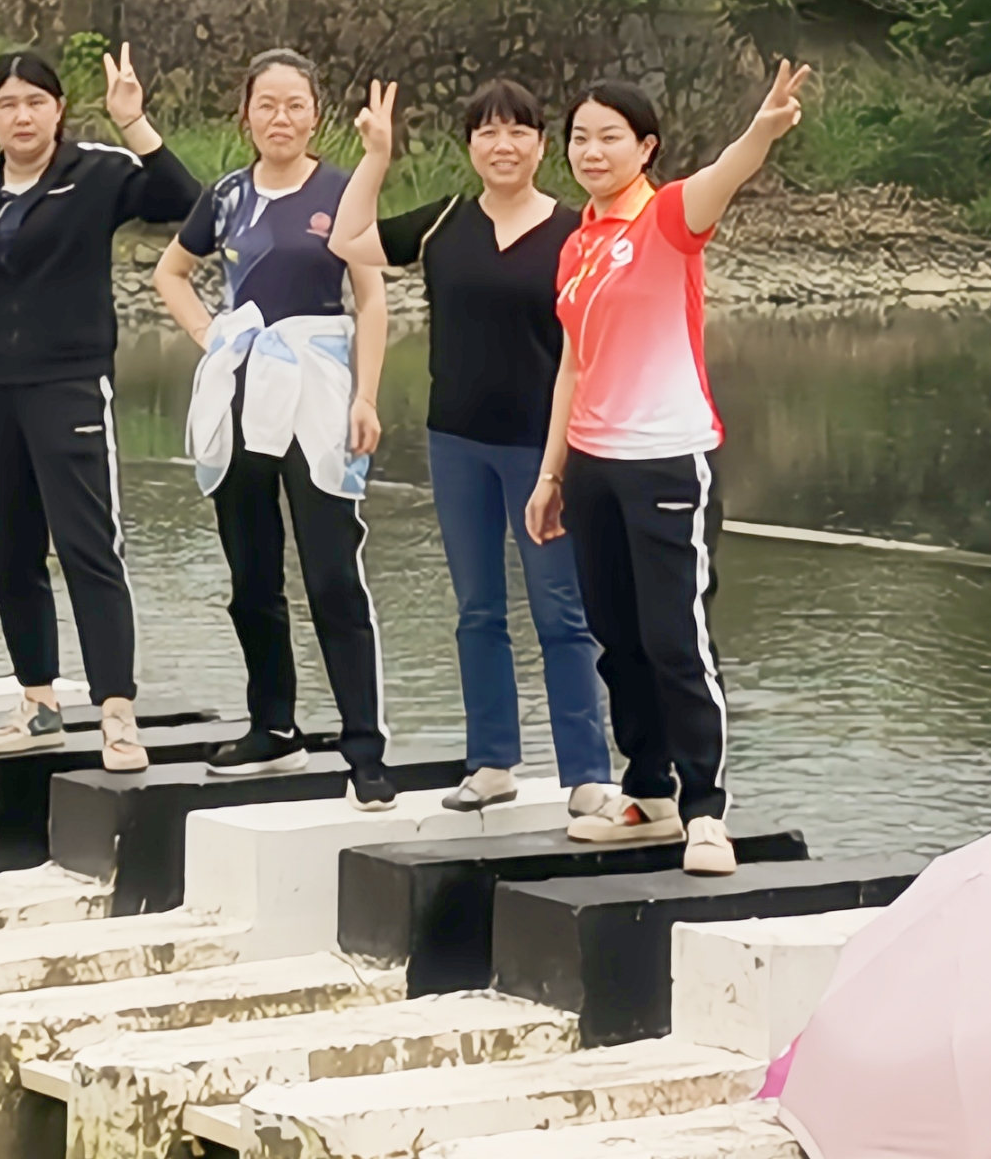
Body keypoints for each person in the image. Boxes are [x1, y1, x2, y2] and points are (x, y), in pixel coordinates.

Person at [524, 60, 811, 875]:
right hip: (593, 463)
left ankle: (705, 809)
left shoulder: (671, 217)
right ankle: (646, 791)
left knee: (674, 638)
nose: (592, 151)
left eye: (610, 137)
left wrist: (761, 129)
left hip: (667, 461)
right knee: (616, 639)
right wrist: (551, 475)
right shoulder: (578, 244)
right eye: (580, 138)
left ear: (645, 147)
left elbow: (728, 172)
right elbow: (573, 365)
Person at [0, 45, 197, 762]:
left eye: (36, 101)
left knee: (89, 548)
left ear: (58, 110)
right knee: (10, 552)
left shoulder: (96, 172)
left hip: (70, 383)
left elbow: (185, 202)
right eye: (7, 103)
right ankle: (37, 703)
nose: (22, 116)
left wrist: (134, 122)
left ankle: (116, 712)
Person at [333, 75, 616, 817]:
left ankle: (587, 773)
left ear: (542, 146)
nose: (503, 144)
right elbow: (347, 239)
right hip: (457, 442)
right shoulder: (443, 222)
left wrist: (563, 464)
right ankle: (492, 762)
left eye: (518, 130)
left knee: (562, 613)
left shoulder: (575, 233)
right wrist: (376, 156)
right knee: (478, 610)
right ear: (469, 146)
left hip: (545, 450)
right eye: (488, 131)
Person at [155, 50, 391, 798]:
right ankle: (273, 727)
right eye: (267, 104)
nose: (280, 118)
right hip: (242, 389)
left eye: (295, 104)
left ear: (315, 115)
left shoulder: (342, 191)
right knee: (251, 574)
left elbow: (372, 299)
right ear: (246, 115)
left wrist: (366, 396)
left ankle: (365, 748)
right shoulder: (226, 196)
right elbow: (170, 272)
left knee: (331, 573)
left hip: (319, 389)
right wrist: (211, 335)